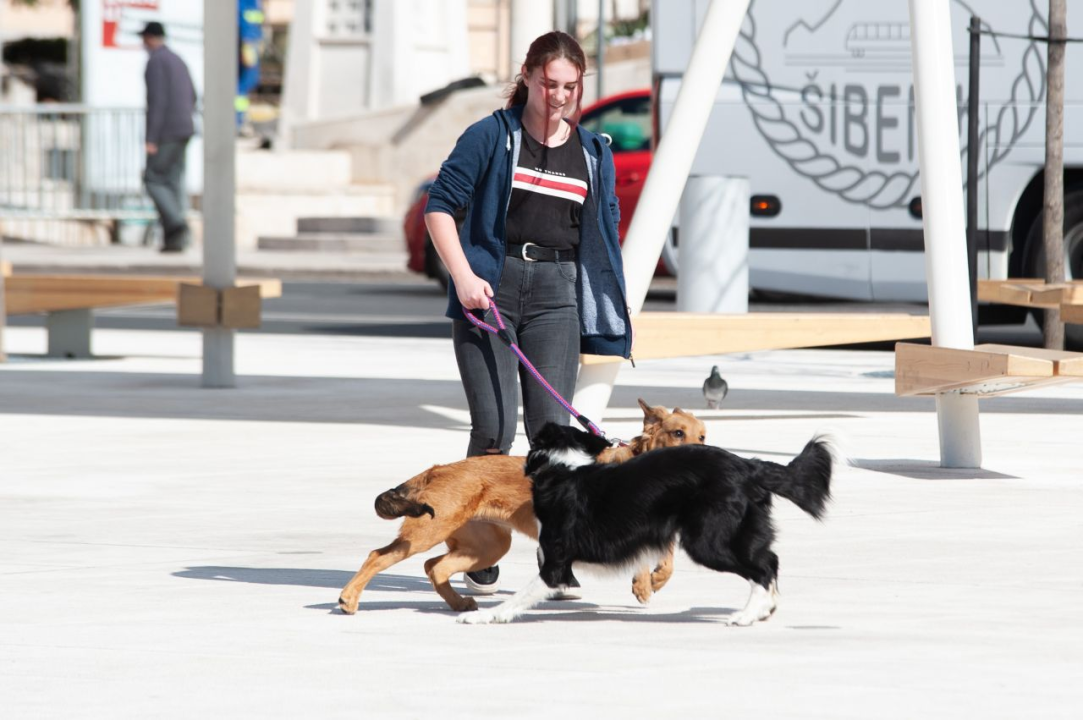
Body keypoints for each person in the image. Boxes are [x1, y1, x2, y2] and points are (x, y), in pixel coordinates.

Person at [424, 31, 633, 595]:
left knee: (551, 438)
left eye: (569, 85)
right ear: (528, 75)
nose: (558, 95)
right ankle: (476, 546)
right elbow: (439, 206)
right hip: (490, 290)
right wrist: (465, 276)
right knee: (493, 429)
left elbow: (602, 235)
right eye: (548, 82)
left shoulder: (593, 152)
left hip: (557, 293)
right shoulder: (493, 135)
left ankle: (556, 556)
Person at [140, 21, 197, 253]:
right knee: (172, 182)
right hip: (184, 128)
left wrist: (151, 137)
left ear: (150, 38)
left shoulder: (156, 62)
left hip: (166, 132)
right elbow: (193, 94)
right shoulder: (177, 59)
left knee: (153, 180)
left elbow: (157, 101)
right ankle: (174, 240)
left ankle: (177, 225)